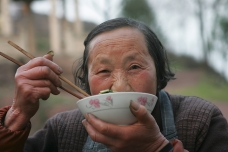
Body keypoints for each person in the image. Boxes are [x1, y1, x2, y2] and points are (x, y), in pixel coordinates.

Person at [0, 18, 228, 152]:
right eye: (104, 71)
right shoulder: (63, 131)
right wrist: (18, 114)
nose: (120, 87)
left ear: (159, 71)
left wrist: (158, 147)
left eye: (135, 67)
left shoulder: (201, 121)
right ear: (86, 80)